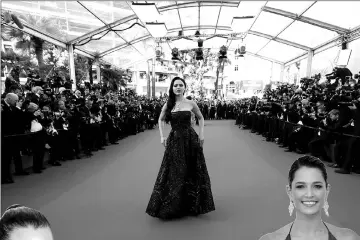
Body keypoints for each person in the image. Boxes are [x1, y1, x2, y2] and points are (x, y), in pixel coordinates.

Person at [145, 76, 215, 220]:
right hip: (175, 141)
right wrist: (162, 136)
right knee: (175, 171)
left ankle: (191, 204)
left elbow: (201, 118)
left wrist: (201, 134)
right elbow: (160, 119)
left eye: (180, 85)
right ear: (172, 88)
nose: (178, 87)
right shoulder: (168, 104)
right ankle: (174, 205)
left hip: (191, 140)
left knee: (192, 169)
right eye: (175, 85)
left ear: (184, 87)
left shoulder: (191, 103)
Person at [259, 156, 360, 240]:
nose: (309, 194)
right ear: (289, 191)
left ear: (327, 190)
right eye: (300, 186)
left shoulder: (349, 238)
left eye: (317, 186)